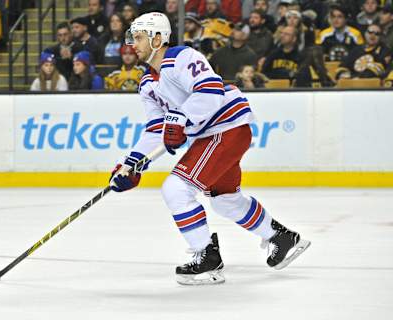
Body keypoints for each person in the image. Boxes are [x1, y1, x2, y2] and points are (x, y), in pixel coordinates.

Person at [111, 12, 310, 285]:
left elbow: (210, 89)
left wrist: (180, 119)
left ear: (158, 38)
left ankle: (207, 259)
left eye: (139, 37)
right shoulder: (147, 83)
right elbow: (156, 128)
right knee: (225, 201)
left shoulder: (181, 57)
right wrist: (130, 163)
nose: (133, 44)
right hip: (217, 135)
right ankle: (282, 238)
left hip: (224, 129)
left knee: (176, 189)